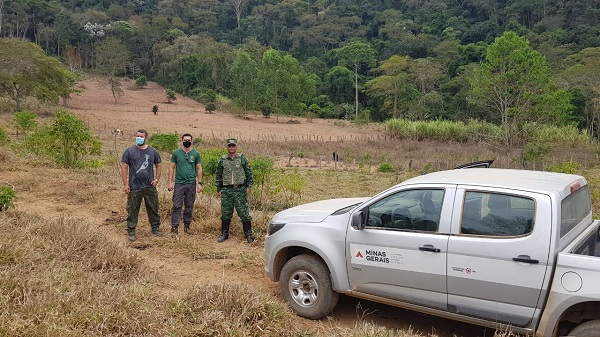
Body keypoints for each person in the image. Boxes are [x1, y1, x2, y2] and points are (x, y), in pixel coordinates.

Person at [120, 129, 162, 241]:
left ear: (146, 138)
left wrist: (156, 180)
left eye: (141, 136)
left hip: (149, 186)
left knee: (153, 208)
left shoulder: (153, 151)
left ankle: (155, 228)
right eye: (137, 136)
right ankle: (131, 231)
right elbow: (124, 168)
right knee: (132, 210)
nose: (139, 137)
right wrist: (125, 184)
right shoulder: (129, 151)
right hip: (134, 186)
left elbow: (158, 165)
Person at [215, 138, 254, 243]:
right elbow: (218, 175)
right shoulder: (222, 160)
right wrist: (219, 188)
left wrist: (249, 186)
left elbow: (249, 172)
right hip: (227, 190)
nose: (231, 147)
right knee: (226, 213)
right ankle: (224, 234)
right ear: (227, 147)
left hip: (240, 189)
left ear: (236, 147)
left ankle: (248, 234)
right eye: (229, 146)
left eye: (233, 146)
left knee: (244, 213)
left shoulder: (242, 158)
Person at [168, 133, 203, 236]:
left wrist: (200, 183)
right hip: (179, 183)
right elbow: (171, 167)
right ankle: (174, 228)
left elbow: (199, 168)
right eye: (185, 140)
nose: (187, 141)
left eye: (189, 140)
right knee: (177, 205)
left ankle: (187, 227)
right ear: (182, 141)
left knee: (189, 206)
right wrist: (170, 182)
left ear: (192, 141)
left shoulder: (196, 154)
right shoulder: (176, 153)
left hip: (191, 184)